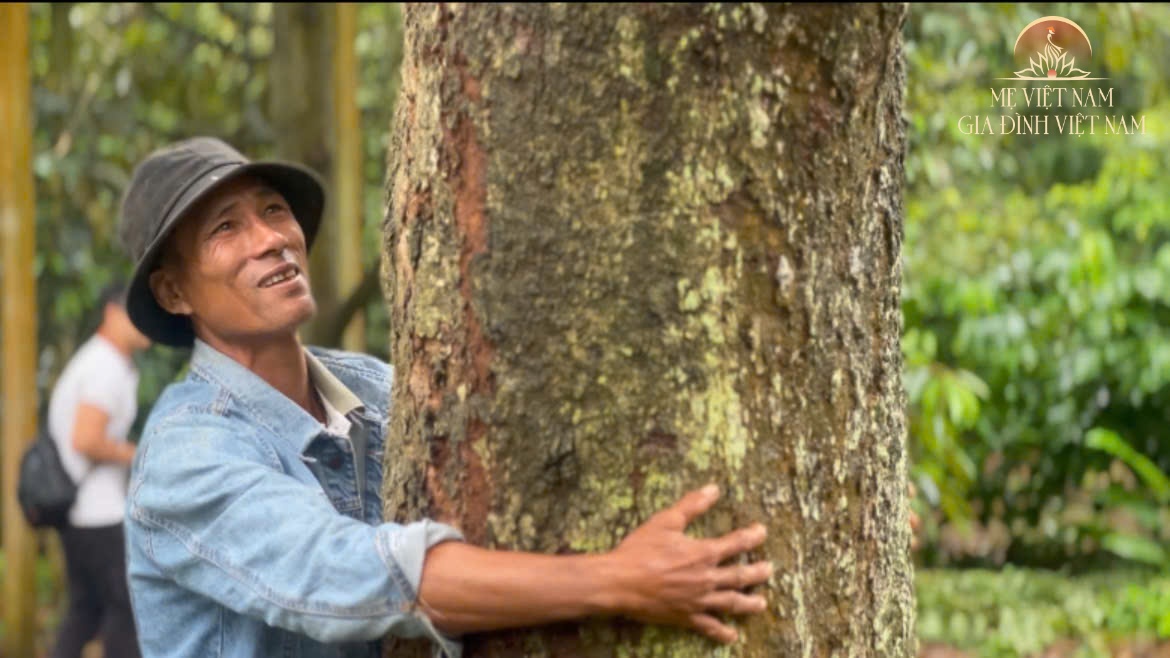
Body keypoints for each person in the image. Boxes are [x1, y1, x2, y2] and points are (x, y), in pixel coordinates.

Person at [117, 137, 782, 658]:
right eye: (224, 230)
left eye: (271, 210)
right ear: (175, 294)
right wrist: (620, 580)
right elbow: (347, 575)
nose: (270, 239)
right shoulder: (188, 454)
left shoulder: (375, 386)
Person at [47, 281, 151, 658]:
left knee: (85, 610)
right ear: (113, 312)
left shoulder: (99, 361)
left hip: (83, 512)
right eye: (138, 314)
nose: (148, 324)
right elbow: (86, 439)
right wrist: (137, 453)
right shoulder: (104, 366)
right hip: (98, 514)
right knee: (127, 610)